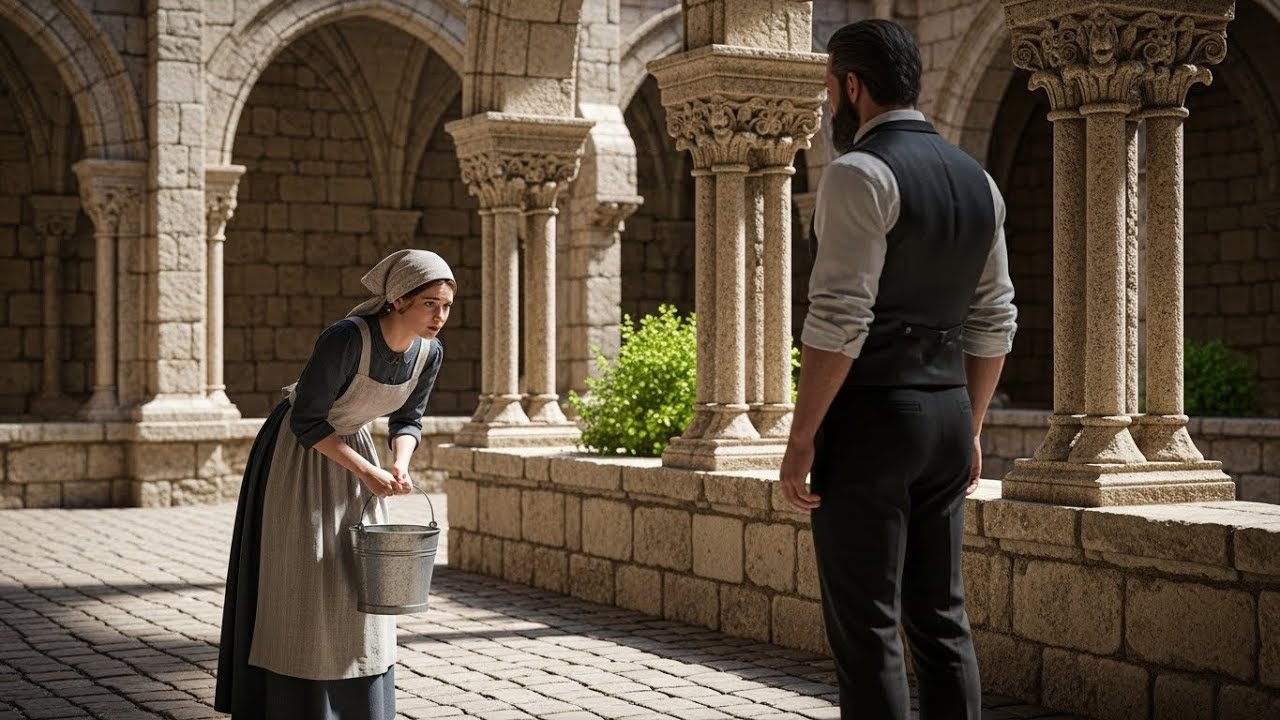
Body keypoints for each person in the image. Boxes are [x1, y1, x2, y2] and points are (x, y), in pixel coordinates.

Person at [779, 19, 1017, 720]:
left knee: (869, 629)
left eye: (829, 91)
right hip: (947, 416)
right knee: (943, 622)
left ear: (853, 87)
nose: (829, 108)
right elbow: (995, 318)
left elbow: (839, 321)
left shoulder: (858, 173)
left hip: (872, 421)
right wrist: (969, 426)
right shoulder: (980, 182)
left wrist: (801, 439)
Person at [215, 249, 455, 720]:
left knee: (357, 582)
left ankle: (357, 704)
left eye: (447, 306)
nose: (440, 316)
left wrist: (399, 463)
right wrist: (367, 472)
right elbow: (307, 419)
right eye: (430, 303)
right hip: (301, 456)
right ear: (399, 300)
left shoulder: (430, 352)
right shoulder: (347, 338)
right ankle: (295, 703)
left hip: (358, 454)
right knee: (304, 577)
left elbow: (410, 419)